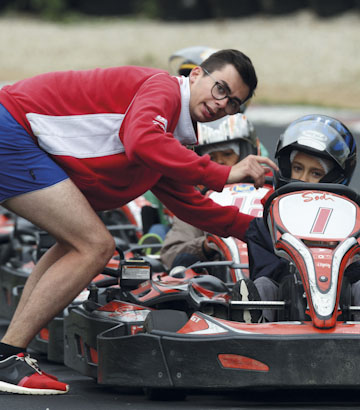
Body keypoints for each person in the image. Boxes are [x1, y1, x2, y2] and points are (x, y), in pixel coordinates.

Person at [0, 49, 277, 394]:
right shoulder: (163, 90)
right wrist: (225, 172)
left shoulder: (172, 137)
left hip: (16, 133)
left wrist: (263, 232)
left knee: (77, 243)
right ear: (196, 76)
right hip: (11, 129)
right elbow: (142, 141)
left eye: (234, 103)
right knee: (95, 245)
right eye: (221, 89)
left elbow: (192, 205)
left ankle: (8, 354)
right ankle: (8, 358)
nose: (223, 105)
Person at [231, 114, 360, 324]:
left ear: (335, 177)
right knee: (263, 285)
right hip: (283, 300)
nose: (302, 179)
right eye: (298, 168)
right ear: (286, 167)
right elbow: (264, 269)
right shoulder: (269, 219)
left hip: (341, 295)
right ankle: (253, 319)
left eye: (315, 172)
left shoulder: (351, 218)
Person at [161, 113, 265, 270]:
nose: (221, 162)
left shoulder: (270, 195)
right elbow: (170, 255)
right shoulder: (195, 201)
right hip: (219, 286)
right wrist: (207, 245)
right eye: (211, 157)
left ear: (246, 153)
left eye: (228, 154)